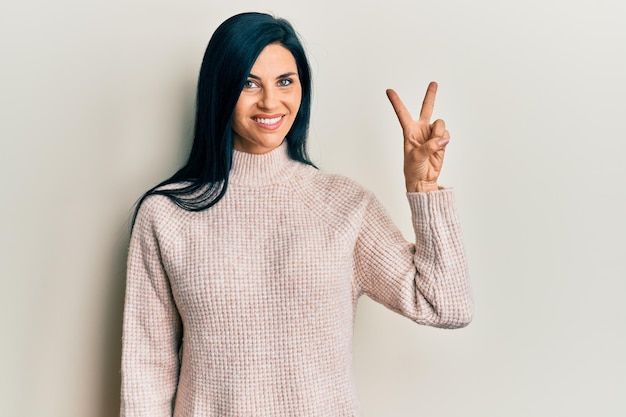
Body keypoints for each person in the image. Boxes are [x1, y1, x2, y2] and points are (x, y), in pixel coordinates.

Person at [120, 11, 473, 417]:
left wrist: (423, 188)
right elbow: (146, 373)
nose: (271, 101)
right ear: (220, 89)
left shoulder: (344, 206)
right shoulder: (166, 214)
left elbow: (445, 306)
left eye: (285, 81)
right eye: (249, 83)